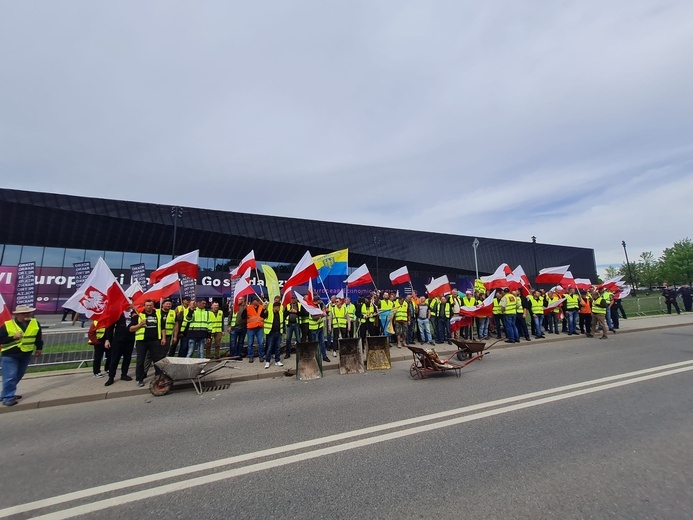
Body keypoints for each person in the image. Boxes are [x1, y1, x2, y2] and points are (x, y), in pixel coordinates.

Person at [0, 304, 43, 406]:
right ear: (18, 315)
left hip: (26, 353)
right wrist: (13, 338)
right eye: (24, 313)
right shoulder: (7, 325)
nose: (27, 315)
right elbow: (1, 339)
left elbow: (38, 337)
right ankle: (8, 398)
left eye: (29, 313)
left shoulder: (35, 323)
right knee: (10, 376)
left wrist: (39, 348)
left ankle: (5, 394)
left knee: (18, 375)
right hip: (10, 354)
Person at [130, 299, 167, 387]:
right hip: (142, 341)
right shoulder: (138, 315)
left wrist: (164, 338)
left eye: (150, 305)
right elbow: (131, 329)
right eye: (147, 305)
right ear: (144, 306)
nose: (149, 307)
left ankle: (159, 377)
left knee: (157, 360)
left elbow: (162, 327)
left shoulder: (158, 314)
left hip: (155, 341)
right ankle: (139, 379)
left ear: (153, 306)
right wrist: (140, 325)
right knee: (140, 361)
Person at [103, 304, 137, 387]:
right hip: (118, 340)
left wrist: (136, 314)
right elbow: (110, 327)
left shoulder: (135, 314)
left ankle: (124, 374)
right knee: (114, 359)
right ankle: (111, 377)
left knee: (127, 358)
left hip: (130, 340)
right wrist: (107, 340)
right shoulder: (118, 313)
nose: (128, 305)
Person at [243, 297, 267, 363]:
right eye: (256, 300)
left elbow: (264, 316)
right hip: (251, 328)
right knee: (250, 343)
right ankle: (250, 356)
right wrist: (244, 310)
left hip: (259, 327)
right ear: (253, 301)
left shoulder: (262, 307)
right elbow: (243, 316)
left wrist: (265, 309)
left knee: (261, 343)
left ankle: (261, 356)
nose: (257, 301)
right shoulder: (248, 308)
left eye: (258, 300)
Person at [263, 301, 284, 369]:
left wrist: (283, 331)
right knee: (269, 347)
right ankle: (267, 361)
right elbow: (262, 316)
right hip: (270, 332)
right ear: (275, 307)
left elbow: (282, 322)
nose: (279, 309)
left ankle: (277, 360)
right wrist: (264, 310)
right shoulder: (269, 312)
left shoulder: (280, 313)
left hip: (278, 332)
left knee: (277, 347)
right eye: (278, 307)